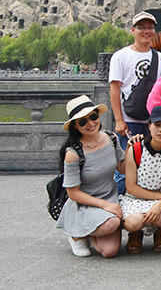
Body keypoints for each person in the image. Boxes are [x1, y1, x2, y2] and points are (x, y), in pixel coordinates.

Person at [55, 95, 125, 258]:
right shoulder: (73, 153)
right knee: (112, 223)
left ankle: (87, 232)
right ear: (75, 125)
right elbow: (73, 193)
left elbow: (122, 168)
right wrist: (105, 206)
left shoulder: (111, 138)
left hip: (109, 196)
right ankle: (76, 234)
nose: (91, 123)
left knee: (109, 251)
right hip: (84, 202)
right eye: (83, 121)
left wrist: (133, 148)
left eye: (93, 117)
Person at [109, 11, 161, 193]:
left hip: (152, 121)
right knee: (126, 166)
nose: (146, 31)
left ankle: (147, 202)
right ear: (133, 30)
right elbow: (115, 88)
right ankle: (120, 203)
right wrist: (119, 120)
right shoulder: (121, 56)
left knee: (152, 165)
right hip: (129, 119)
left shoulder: (160, 58)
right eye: (142, 27)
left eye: (150, 27)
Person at [120, 106, 161, 254]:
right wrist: (159, 197)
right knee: (133, 222)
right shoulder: (136, 149)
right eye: (157, 125)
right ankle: (135, 233)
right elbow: (131, 187)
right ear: (149, 126)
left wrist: (160, 203)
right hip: (136, 198)